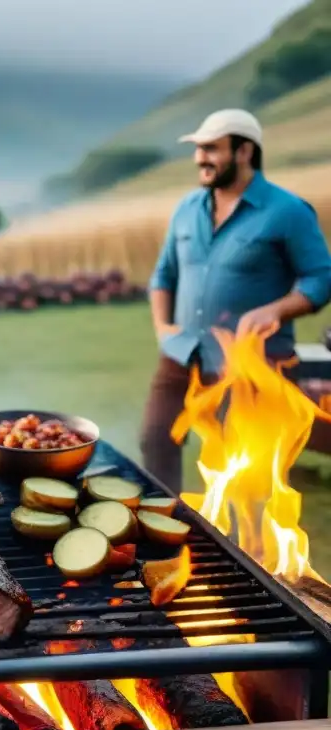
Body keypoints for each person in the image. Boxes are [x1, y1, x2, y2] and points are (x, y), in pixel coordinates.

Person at [142, 108, 331, 494]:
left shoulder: (288, 211)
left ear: (244, 151)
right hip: (182, 352)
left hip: (252, 362)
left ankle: (242, 550)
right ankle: (167, 531)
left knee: (243, 467)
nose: (200, 158)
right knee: (155, 440)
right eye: (198, 149)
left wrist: (277, 308)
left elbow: (322, 276)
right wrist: (163, 329)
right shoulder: (187, 209)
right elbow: (163, 276)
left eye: (211, 148)